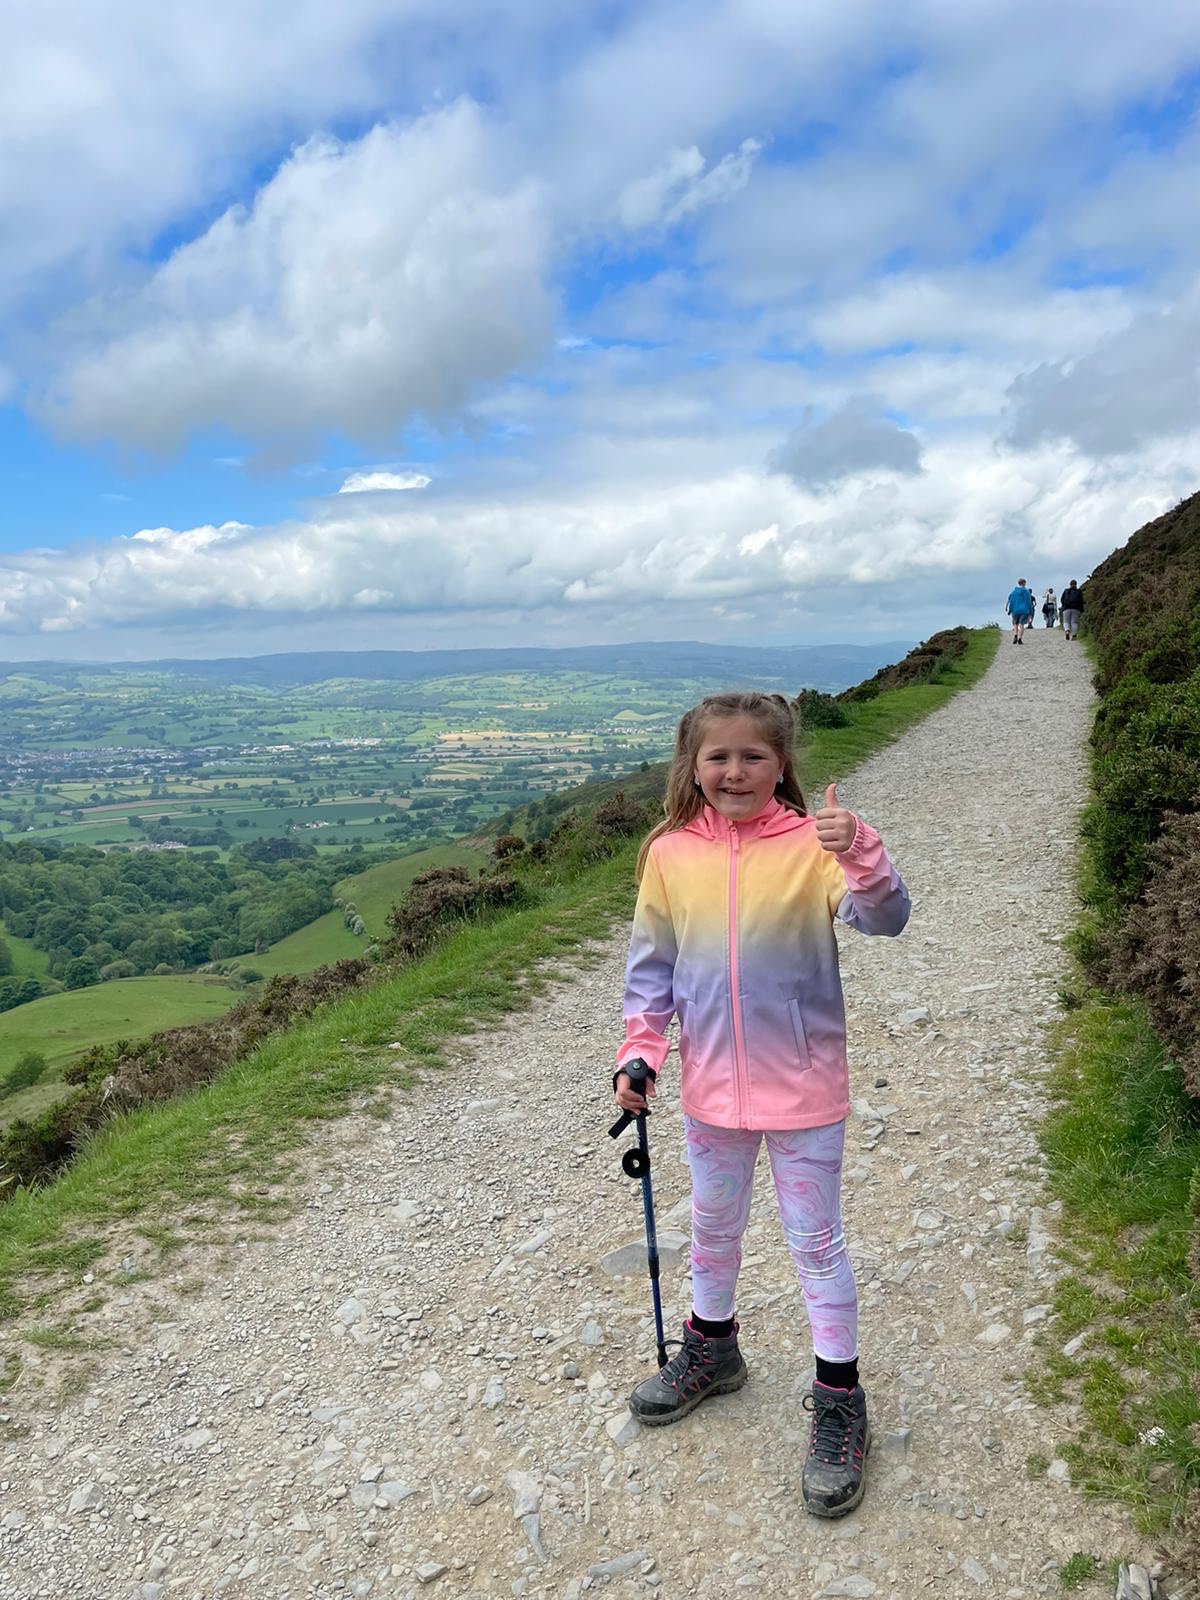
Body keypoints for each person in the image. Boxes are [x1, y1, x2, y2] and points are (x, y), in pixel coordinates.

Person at [613, 691, 910, 1519]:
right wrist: (640, 1053)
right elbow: (652, 970)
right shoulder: (670, 854)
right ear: (693, 766)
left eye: (753, 756)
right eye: (719, 757)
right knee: (712, 1227)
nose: (735, 771)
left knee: (815, 1243)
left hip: (804, 1090)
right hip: (711, 1092)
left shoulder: (815, 847)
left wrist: (862, 852)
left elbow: (886, 918)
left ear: (782, 764)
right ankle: (713, 1348)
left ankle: (840, 1398)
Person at [1005, 578, 1035, 643]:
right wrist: (1030, 611)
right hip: (1024, 610)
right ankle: (1020, 639)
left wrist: (1010, 610)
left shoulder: (1014, 592)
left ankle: (1015, 635)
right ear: (1023, 583)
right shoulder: (1027, 592)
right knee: (1021, 625)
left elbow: (1011, 601)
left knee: (1015, 624)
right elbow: (1029, 602)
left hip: (1015, 610)